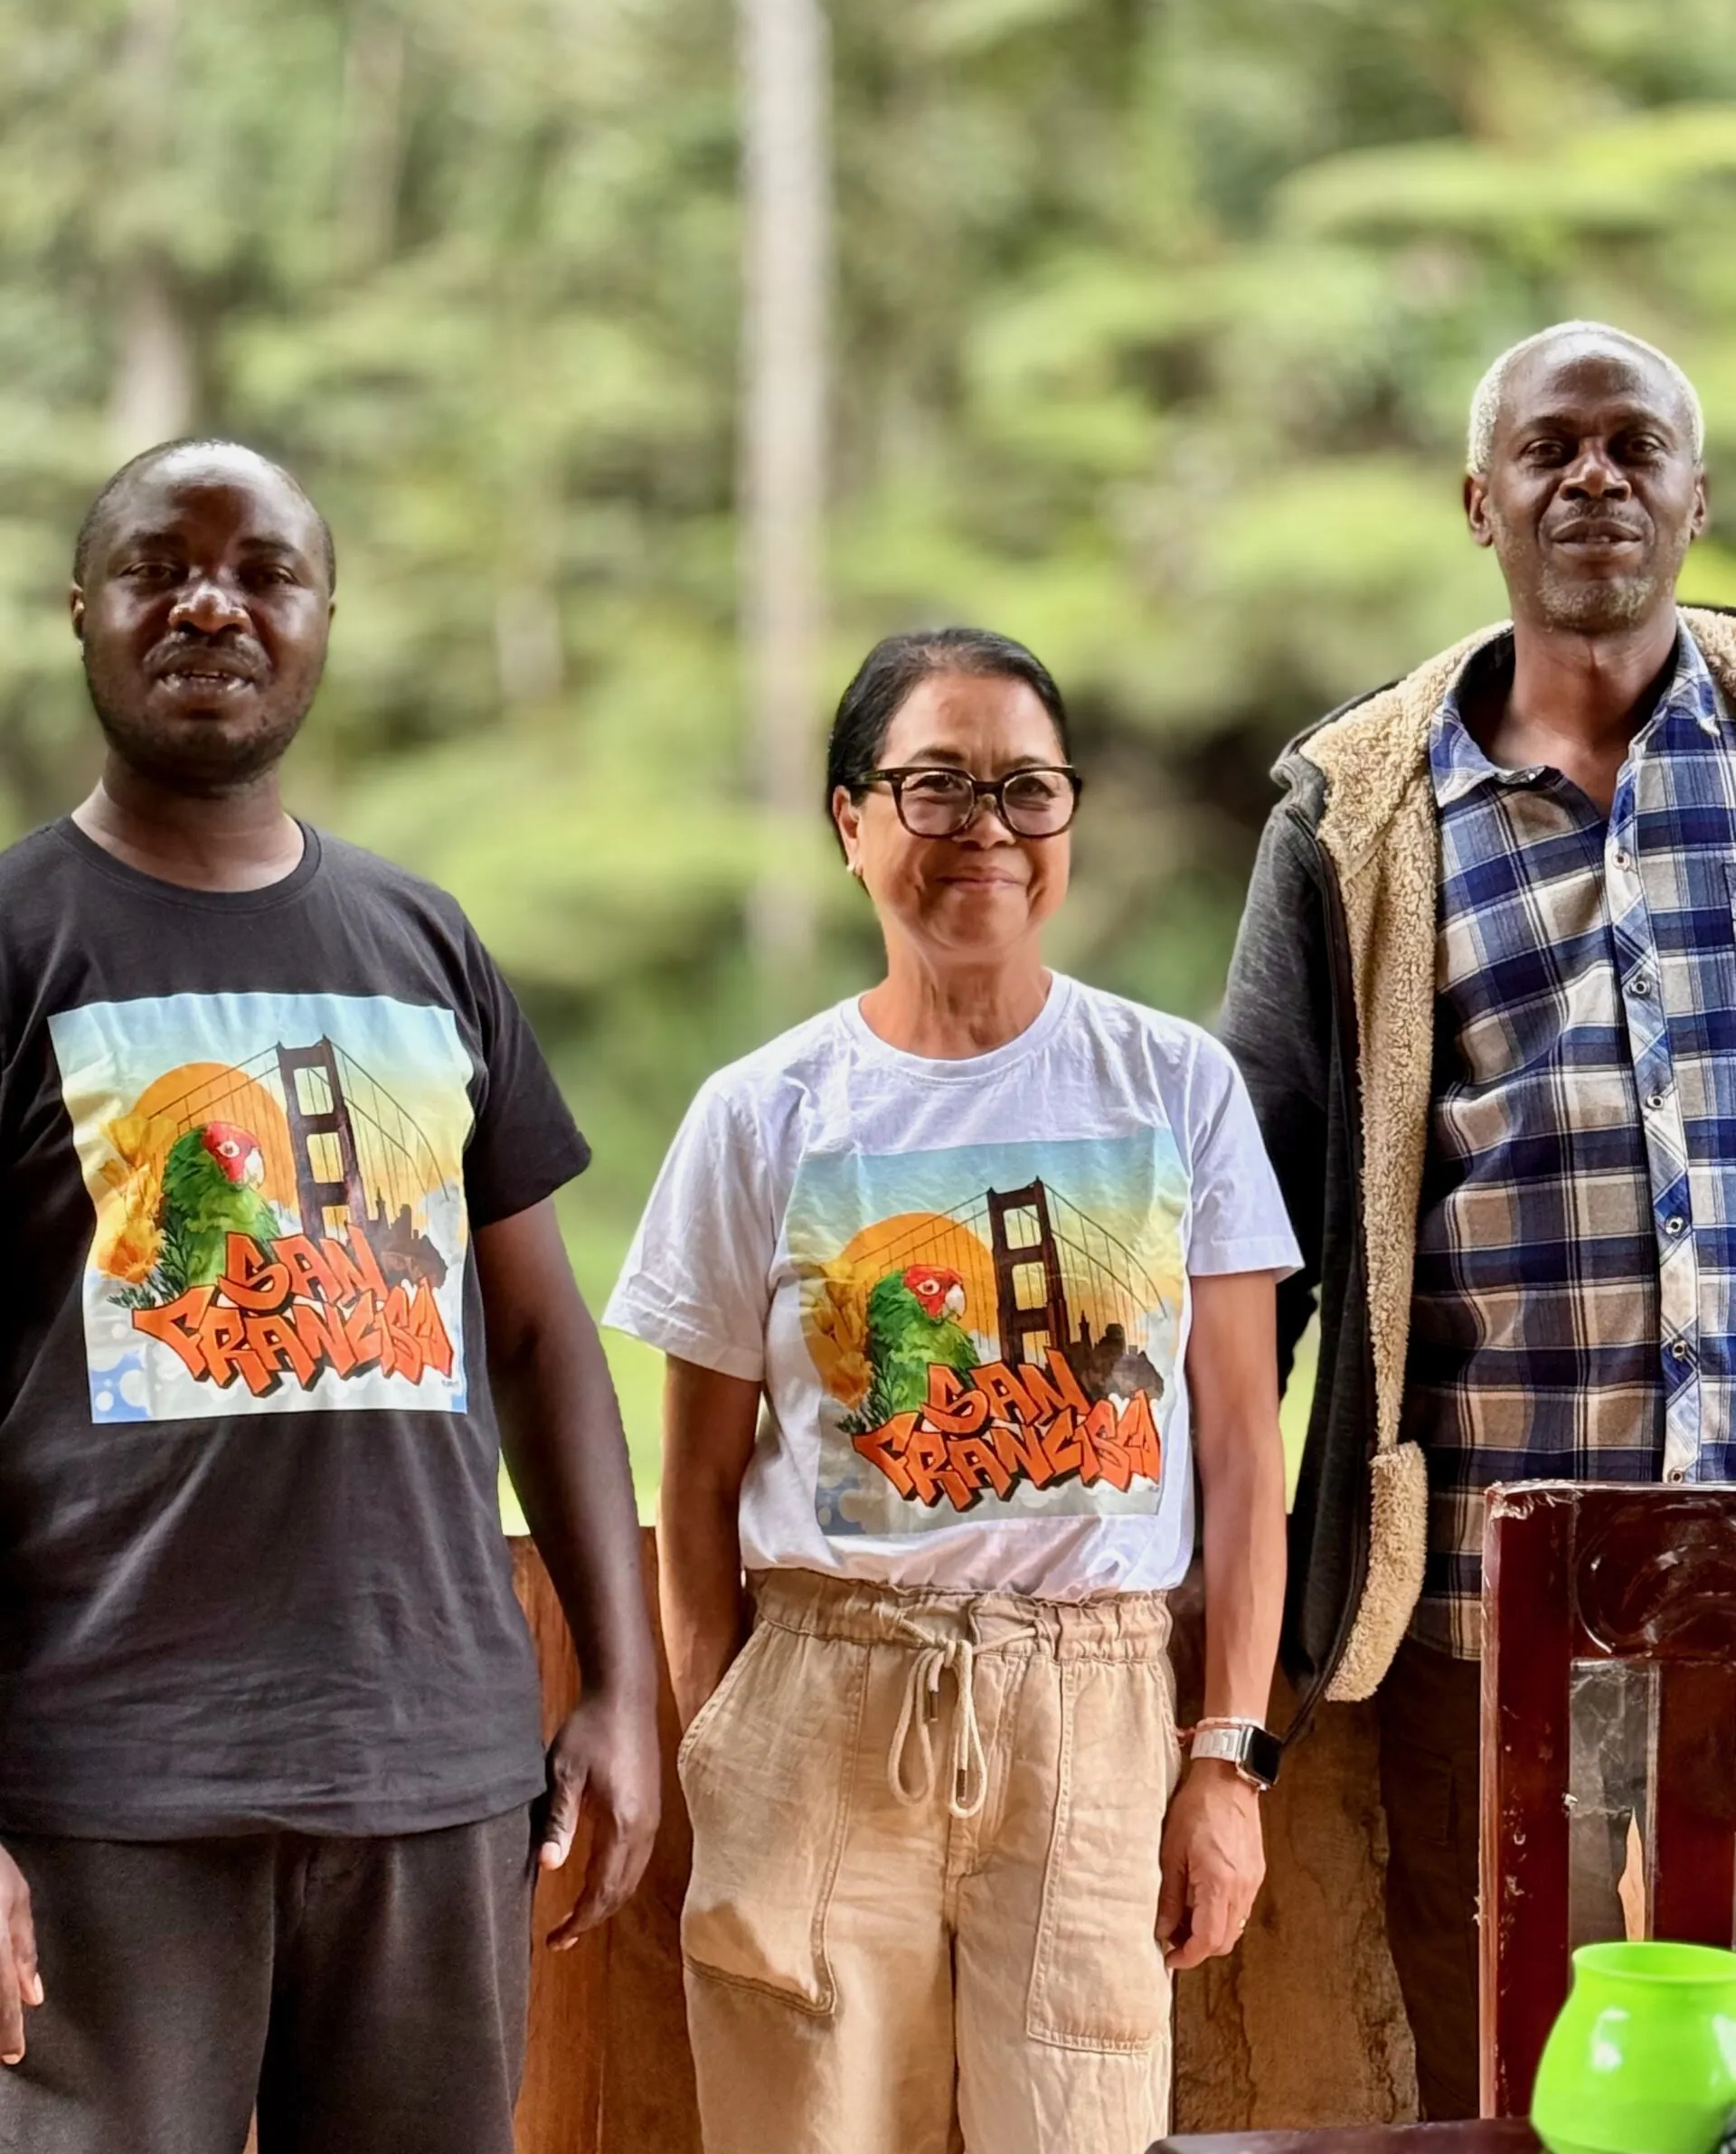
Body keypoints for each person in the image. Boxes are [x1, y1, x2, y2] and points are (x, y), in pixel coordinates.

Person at [0, 439, 659, 2154]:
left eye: (263, 571)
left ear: (322, 619)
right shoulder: (13, 943)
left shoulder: (422, 945)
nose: (212, 601)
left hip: (430, 1778)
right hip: (101, 1792)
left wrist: (618, 1686)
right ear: (87, 609)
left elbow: (536, 1336)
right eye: (161, 565)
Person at [605, 627, 1297, 2154]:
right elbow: (698, 1486)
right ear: (851, 822)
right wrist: (727, 1741)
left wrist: (1224, 1763)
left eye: (1026, 789)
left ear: (1068, 821)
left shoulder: (1175, 1088)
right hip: (826, 1705)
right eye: (935, 786)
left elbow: (1245, 1458)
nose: (985, 827)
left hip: (1099, 1717)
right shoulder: (761, 1117)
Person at [1219, 319, 1728, 2118]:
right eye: (1549, 449)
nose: (1592, 479)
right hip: (1480, 1602)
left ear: (1695, 487)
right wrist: (1196, 1614)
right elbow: (1248, 1235)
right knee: (1509, 2064)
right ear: (1477, 501)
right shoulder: (1360, 807)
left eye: (1632, 445)